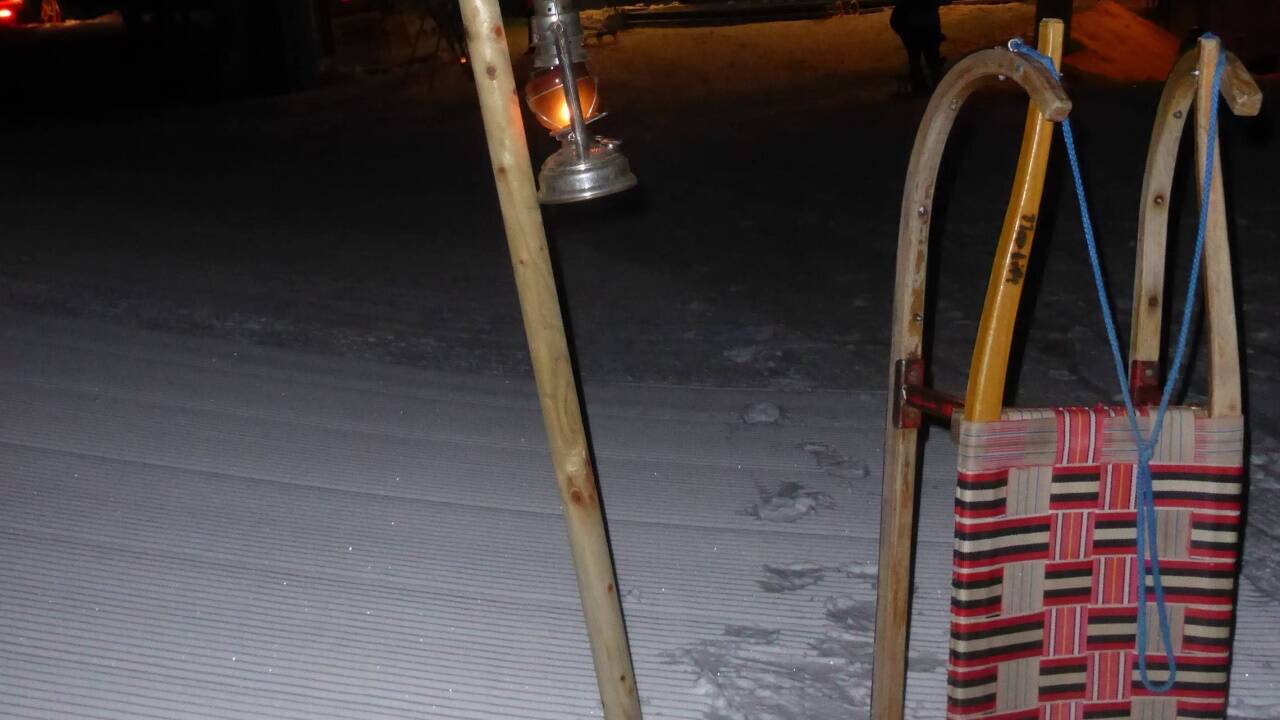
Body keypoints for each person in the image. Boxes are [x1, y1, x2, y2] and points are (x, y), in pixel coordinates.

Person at [890, 0, 945, 96]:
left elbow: (896, 19)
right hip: (919, 25)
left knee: (917, 58)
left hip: (915, 25)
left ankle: (922, 85)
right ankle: (929, 84)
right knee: (926, 57)